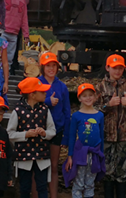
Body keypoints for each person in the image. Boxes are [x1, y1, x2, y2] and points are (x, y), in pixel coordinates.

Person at [94, 54, 126, 198]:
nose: (117, 71)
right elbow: (94, 110)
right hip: (107, 135)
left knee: (123, 171)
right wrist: (108, 105)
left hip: (125, 137)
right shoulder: (100, 87)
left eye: (120, 68)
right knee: (107, 172)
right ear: (107, 68)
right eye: (114, 68)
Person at [7, 77, 57, 198]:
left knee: (42, 186)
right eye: (42, 91)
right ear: (32, 95)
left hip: (41, 155)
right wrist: (25, 134)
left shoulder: (45, 109)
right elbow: (10, 133)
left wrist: (44, 133)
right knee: (24, 187)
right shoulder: (18, 111)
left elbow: (52, 130)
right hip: (24, 156)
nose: (45, 94)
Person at [38, 51, 71, 197]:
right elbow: (28, 104)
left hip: (56, 130)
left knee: (53, 165)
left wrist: (66, 137)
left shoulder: (62, 87)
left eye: (54, 66)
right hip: (38, 130)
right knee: (38, 165)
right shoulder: (37, 83)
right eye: (48, 66)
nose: (51, 69)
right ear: (42, 67)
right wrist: (47, 102)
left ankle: (53, 195)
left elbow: (66, 111)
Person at [63, 83, 106, 198]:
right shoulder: (76, 116)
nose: (88, 98)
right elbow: (72, 136)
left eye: (90, 95)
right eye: (85, 95)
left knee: (90, 183)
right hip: (80, 154)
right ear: (79, 98)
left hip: (95, 154)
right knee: (79, 182)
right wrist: (70, 156)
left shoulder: (100, 115)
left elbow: (101, 136)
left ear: (95, 96)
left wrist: (101, 154)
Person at [2, 0, 33, 71]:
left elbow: (24, 19)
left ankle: (7, 76)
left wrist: (26, 34)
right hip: (2, 31)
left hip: (14, 33)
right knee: (0, 55)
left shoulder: (22, 0)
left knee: (10, 56)